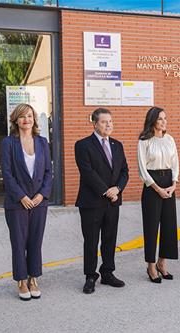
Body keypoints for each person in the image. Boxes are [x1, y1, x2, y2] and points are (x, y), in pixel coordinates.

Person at [1, 104, 53, 300]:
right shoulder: (8, 143)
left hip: (39, 201)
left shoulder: (42, 142)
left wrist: (42, 195)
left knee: (35, 242)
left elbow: (49, 172)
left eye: (29, 116)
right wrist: (21, 196)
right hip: (17, 202)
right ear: (16, 120)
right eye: (22, 116)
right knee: (19, 242)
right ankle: (21, 281)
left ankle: (33, 279)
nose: (26, 120)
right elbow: (6, 174)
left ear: (34, 119)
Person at [75, 108, 129, 294]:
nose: (109, 125)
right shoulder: (82, 145)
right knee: (91, 241)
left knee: (109, 239)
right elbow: (88, 173)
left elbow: (124, 171)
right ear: (95, 123)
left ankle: (107, 273)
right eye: (105, 122)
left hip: (113, 202)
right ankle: (90, 276)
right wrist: (107, 191)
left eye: (111, 122)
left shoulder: (117, 145)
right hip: (91, 202)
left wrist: (118, 189)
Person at [138, 107, 179, 283]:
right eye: (160, 119)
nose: (164, 122)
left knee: (169, 225)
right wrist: (157, 188)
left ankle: (163, 263)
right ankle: (151, 265)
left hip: (169, 182)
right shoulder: (144, 140)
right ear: (153, 121)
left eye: (165, 118)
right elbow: (142, 168)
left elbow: (176, 162)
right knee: (151, 226)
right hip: (152, 185)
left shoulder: (170, 139)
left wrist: (174, 184)